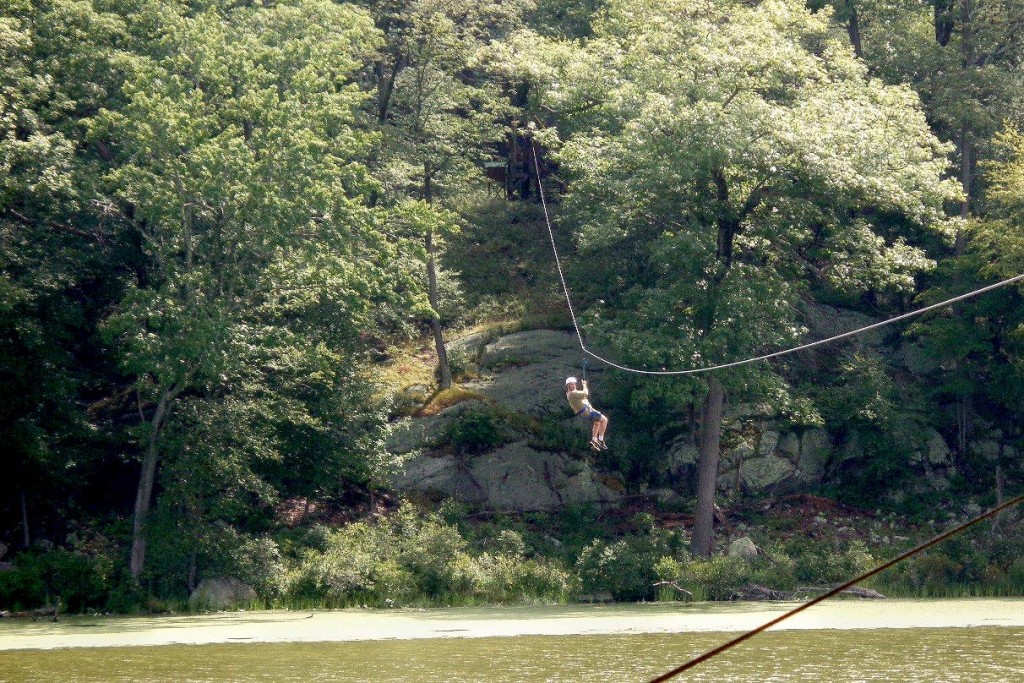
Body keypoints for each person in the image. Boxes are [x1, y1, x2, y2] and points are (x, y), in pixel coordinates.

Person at [565, 376, 609, 450]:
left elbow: (581, 396)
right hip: (587, 412)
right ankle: (601, 440)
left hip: (583, 413)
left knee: (597, 423)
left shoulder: (570, 394)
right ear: (568, 386)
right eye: (571, 384)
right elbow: (585, 393)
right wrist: (584, 385)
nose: (574, 386)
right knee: (604, 420)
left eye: (574, 384)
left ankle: (594, 439)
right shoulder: (572, 394)